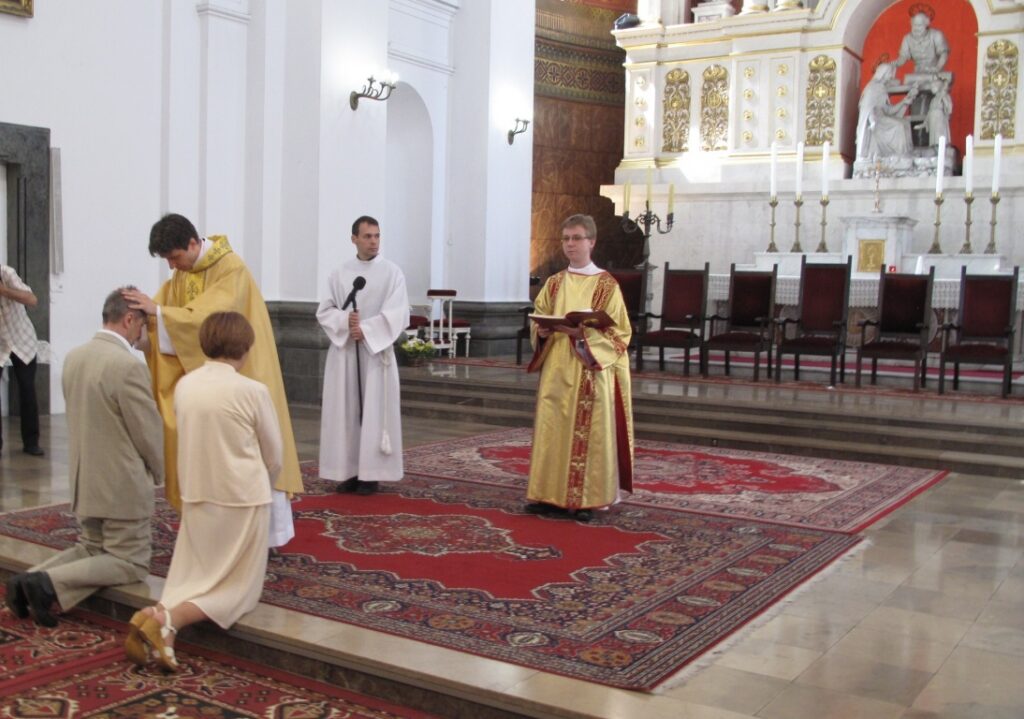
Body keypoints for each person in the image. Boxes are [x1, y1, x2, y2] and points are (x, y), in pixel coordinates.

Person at [122, 214, 301, 547]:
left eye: (174, 257)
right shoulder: (182, 273)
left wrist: (158, 313)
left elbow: (210, 319)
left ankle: (267, 536)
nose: (172, 266)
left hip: (244, 373)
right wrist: (144, 318)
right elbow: (164, 316)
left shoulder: (231, 268)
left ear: (193, 243)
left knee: (251, 453)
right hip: (206, 383)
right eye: (167, 260)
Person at [125, 312, 281, 672]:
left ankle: (154, 617)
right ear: (244, 347)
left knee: (194, 575)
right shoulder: (253, 391)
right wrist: (265, 486)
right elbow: (274, 456)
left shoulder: (186, 385)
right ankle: (170, 621)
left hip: (197, 492)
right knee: (236, 590)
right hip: (242, 497)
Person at [5, 288, 164, 627]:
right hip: (121, 487)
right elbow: (147, 433)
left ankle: (27, 581)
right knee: (130, 563)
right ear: (129, 319)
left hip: (85, 481)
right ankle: (47, 584)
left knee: (91, 549)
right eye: (142, 326)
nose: (142, 335)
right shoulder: (128, 366)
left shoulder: (75, 357)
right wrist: (161, 472)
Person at [524, 214, 634, 522]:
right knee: (553, 431)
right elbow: (539, 316)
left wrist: (582, 334)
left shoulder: (606, 285)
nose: (570, 244)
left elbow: (620, 334)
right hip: (557, 369)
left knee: (589, 433)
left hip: (590, 369)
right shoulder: (554, 283)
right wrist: (541, 331)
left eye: (577, 238)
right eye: (566, 239)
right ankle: (549, 496)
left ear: (591, 242)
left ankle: (587, 499)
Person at [317, 216, 409, 495]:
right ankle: (348, 471)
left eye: (377, 236)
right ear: (354, 239)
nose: (373, 242)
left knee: (374, 413)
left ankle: (372, 474)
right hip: (346, 353)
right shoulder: (340, 273)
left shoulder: (392, 273)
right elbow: (325, 311)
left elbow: (398, 313)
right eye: (367, 236)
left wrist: (366, 330)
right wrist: (346, 322)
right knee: (345, 412)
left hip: (375, 354)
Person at [0, 263, 46, 456]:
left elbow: (32, 299)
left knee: (27, 388)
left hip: (22, 338)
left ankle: (31, 442)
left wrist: (4, 291)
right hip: (1, 341)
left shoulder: (6, 273)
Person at [856, 63, 918, 161]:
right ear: (883, 73)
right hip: (877, 120)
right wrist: (872, 121)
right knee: (899, 126)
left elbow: (889, 110)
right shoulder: (873, 88)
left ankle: (906, 154)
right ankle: (901, 155)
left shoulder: (881, 88)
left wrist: (904, 102)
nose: (891, 77)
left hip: (882, 117)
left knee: (905, 123)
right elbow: (867, 108)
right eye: (889, 73)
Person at [894, 9, 949, 74]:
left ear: (926, 24)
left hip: (936, 72)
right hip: (918, 72)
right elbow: (903, 57)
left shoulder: (936, 35)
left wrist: (938, 68)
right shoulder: (907, 38)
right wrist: (893, 64)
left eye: (919, 25)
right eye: (914, 25)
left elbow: (944, 54)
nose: (916, 28)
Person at [920, 78, 952, 147]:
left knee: (939, 136)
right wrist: (925, 122)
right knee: (933, 138)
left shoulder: (944, 96)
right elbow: (930, 111)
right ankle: (934, 147)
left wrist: (944, 99)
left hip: (939, 119)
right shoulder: (933, 100)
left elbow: (948, 108)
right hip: (932, 119)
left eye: (933, 87)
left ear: (938, 87)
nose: (931, 89)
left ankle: (941, 148)